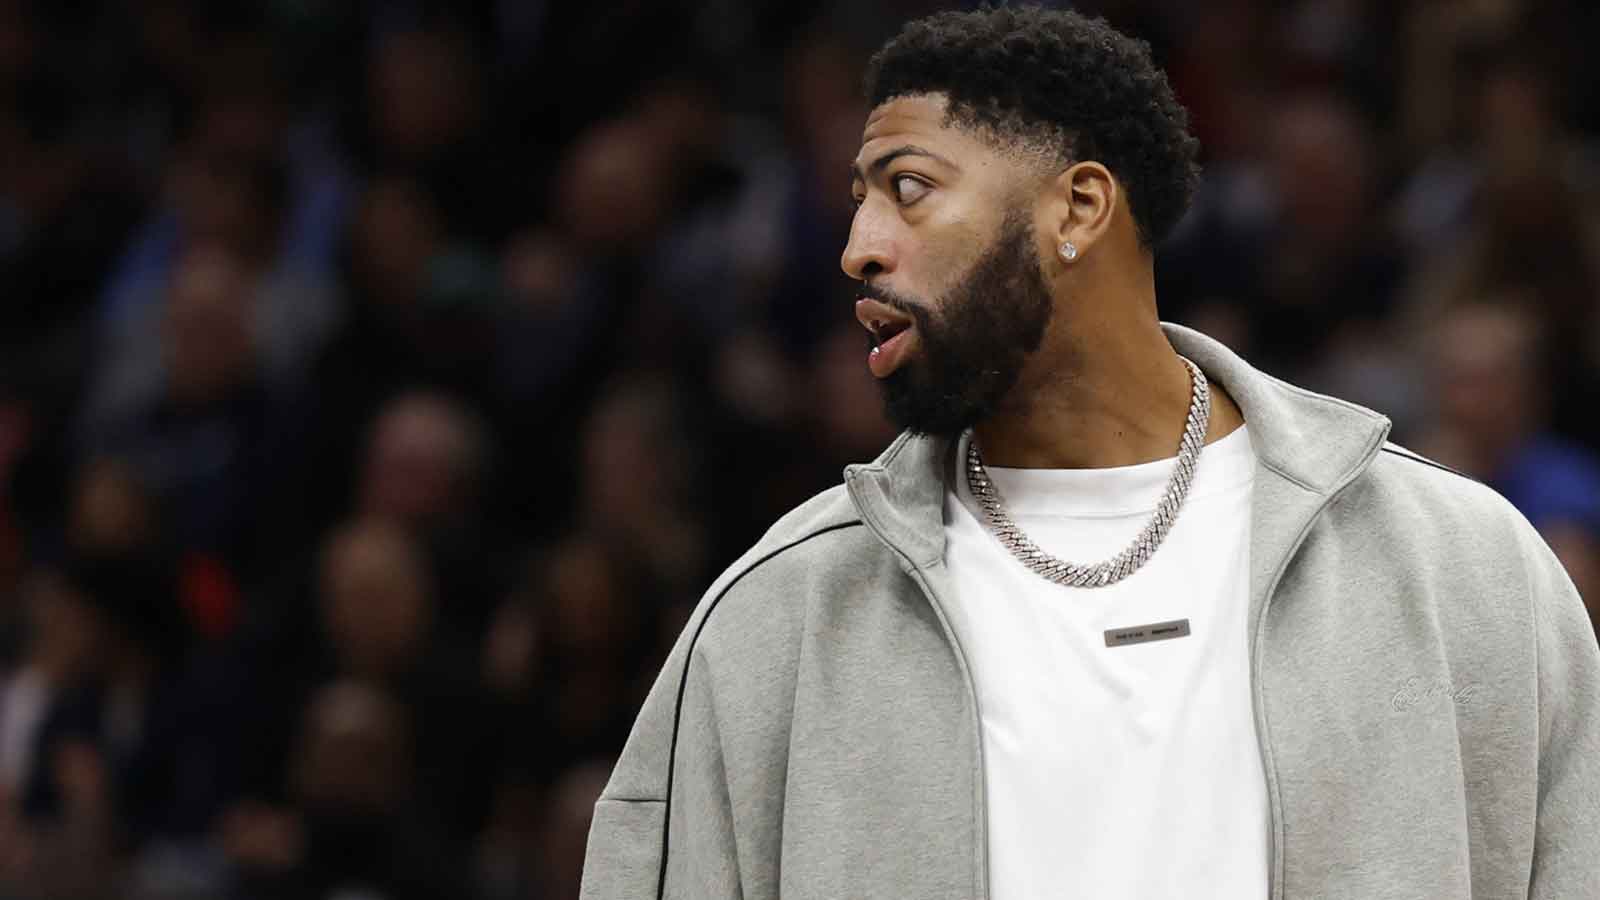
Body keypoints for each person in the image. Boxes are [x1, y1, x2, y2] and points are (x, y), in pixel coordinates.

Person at [579, 7, 1600, 899]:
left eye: (907, 188)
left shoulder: (1455, 567)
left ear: (1077, 207)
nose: (858, 245)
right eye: (857, 198)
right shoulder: (778, 614)